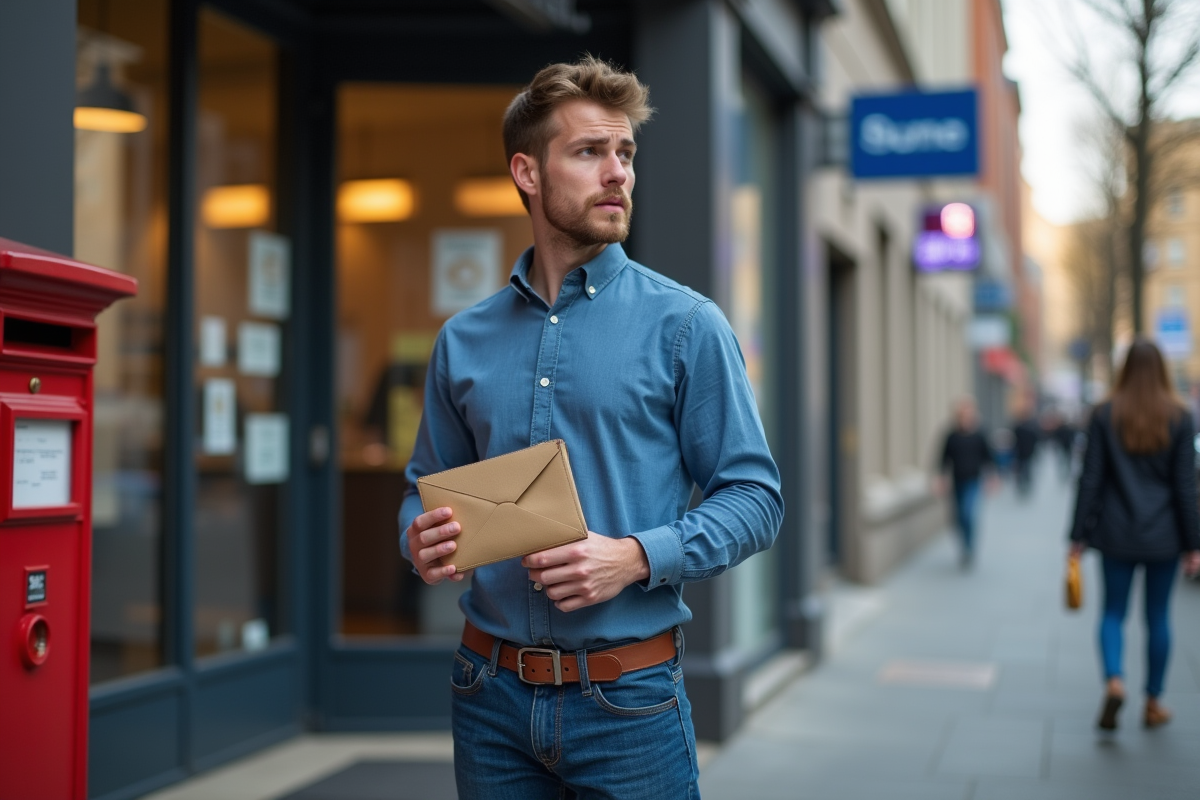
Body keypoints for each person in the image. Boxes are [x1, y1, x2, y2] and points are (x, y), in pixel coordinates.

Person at [398, 57, 782, 799]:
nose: (618, 173)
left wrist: (636, 556)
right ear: (528, 171)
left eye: (626, 153)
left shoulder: (686, 325)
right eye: (589, 152)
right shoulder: (463, 340)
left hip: (628, 704)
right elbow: (424, 487)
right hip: (487, 696)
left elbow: (756, 497)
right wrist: (418, 537)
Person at [1069, 338, 1200, 731]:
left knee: (1112, 612)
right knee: (1158, 617)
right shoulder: (1180, 416)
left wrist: (1076, 536)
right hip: (1164, 535)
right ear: (1162, 370)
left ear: (1124, 369)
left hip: (1115, 532)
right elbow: (1185, 486)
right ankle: (1153, 701)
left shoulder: (1105, 414)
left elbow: (1090, 479)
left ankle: (1114, 681)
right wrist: (1194, 544)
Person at [938, 397, 994, 567]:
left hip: (973, 481)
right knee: (958, 517)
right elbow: (943, 458)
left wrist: (993, 477)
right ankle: (964, 545)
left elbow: (989, 457)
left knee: (968, 513)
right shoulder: (951, 436)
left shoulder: (979, 434)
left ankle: (969, 547)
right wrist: (941, 478)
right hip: (957, 481)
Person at [1011, 402, 1040, 497]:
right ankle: (1025, 484)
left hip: (1023, 452)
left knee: (1024, 469)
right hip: (1025, 452)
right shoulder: (1029, 427)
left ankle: (1024, 484)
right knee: (1025, 469)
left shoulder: (1019, 427)